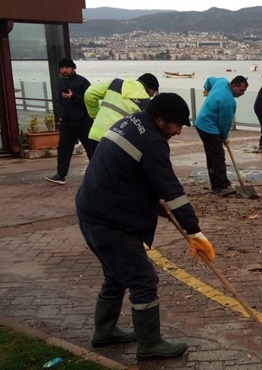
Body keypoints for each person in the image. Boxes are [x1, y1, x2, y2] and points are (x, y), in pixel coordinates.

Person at [76, 93, 216, 359]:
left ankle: (104, 333)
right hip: (110, 220)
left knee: (116, 275)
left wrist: (153, 205)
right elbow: (172, 190)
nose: (179, 130)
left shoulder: (130, 122)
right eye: (176, 124)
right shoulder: (152, 141)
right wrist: (194, 231)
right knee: (143, 279)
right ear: (160, 119)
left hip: (91, 211)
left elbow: (126, 172)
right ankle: (150, 344)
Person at [194, 75, 249, 196]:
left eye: (244, 91)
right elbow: (225, 123)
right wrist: (224, 137)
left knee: (211, 155)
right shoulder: (229, 101)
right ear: (234, 85)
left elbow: (208, 80)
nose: (242, 93)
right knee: (218, 156)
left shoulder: (221, 81)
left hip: (200, 123)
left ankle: (215, 184)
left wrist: (207, 89)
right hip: (209, 127)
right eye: (241, 90)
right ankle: (223, 186)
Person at [45, 58, 95, 185]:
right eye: (62, 68)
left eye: (67, 67)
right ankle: (60, 175)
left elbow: (89, 102)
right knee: (63, 148)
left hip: (83, 121)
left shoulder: (83, 82)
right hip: (67, 121)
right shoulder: (61, 82)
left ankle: (98, 174)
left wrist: (74, 97)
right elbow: (60, 100)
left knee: (91, 148)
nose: (64, 70)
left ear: (73, 68)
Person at [84, 73, 159, 152]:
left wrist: (94, 113)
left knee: (95, 164)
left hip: (96, 134)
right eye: (154, 92)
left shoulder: (115, 84)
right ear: (151, 89)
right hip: (117, 141)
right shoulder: (145, 102)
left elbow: (89, 93)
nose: (153, 95)